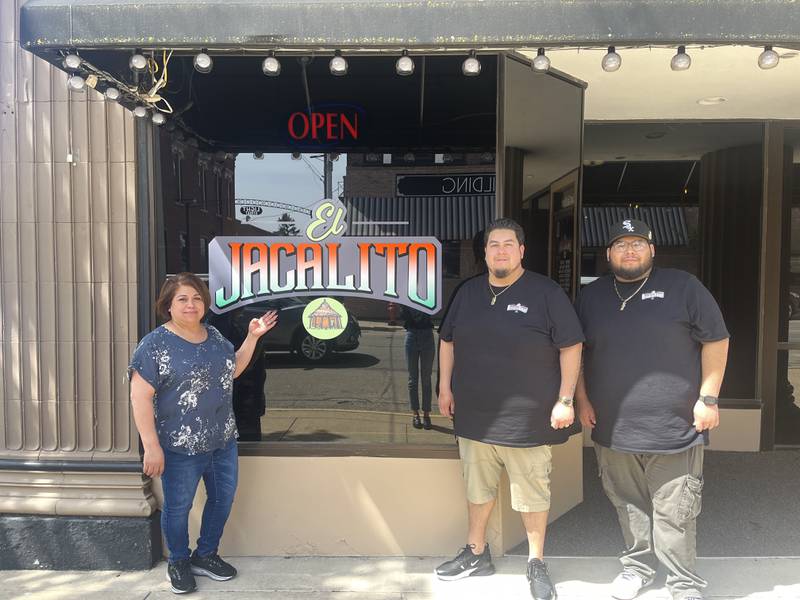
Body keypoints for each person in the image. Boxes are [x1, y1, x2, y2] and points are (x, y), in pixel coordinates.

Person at [574, 219, 729, 600]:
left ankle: (682, 582)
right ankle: (638, 568)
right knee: (628, 506)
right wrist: (582, 399)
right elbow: (574, 353)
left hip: (675, 426)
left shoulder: (683, 287)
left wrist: (708, 398)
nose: (630, 250)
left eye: (638, 243)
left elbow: (717, 340)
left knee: (675, 511)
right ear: (608, 253)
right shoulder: (591, 298)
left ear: (652, 250)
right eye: (621, 244)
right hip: (613, 426)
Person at [434, 218, 584, 600]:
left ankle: (536, 562)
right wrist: (444, 387)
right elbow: (447, 341)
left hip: (529, 419)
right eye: (492, 244)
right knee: (477, 488)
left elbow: (571, 346)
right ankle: (476, 553)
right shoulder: (467, 292)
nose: (500, 250)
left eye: (507, 244)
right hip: (475, 415)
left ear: (521, 251)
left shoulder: (545, 292)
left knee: (532, 493)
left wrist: (565, 399)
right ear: (484, 253)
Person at [128, 273, 277, 595]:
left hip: (221, 439)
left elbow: (232, 369)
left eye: (196, 298)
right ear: (168, 305)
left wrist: (252, 338)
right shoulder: (154, 345)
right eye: (182, 299)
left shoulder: (214, 336)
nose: (191, 305)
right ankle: (178, 561)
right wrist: (151, 447)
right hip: (180, 445)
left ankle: (205, 554)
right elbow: (139, 396)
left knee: (223, 499)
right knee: (178, 507)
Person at [401, 305, 436, 430]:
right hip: (411, 334)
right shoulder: (406, 297)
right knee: (413, 379)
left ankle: (426, 414)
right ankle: (415, 414)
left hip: (427, 335)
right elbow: (403, 316)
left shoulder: (428, 294)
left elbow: (433, 310)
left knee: (426, 378)